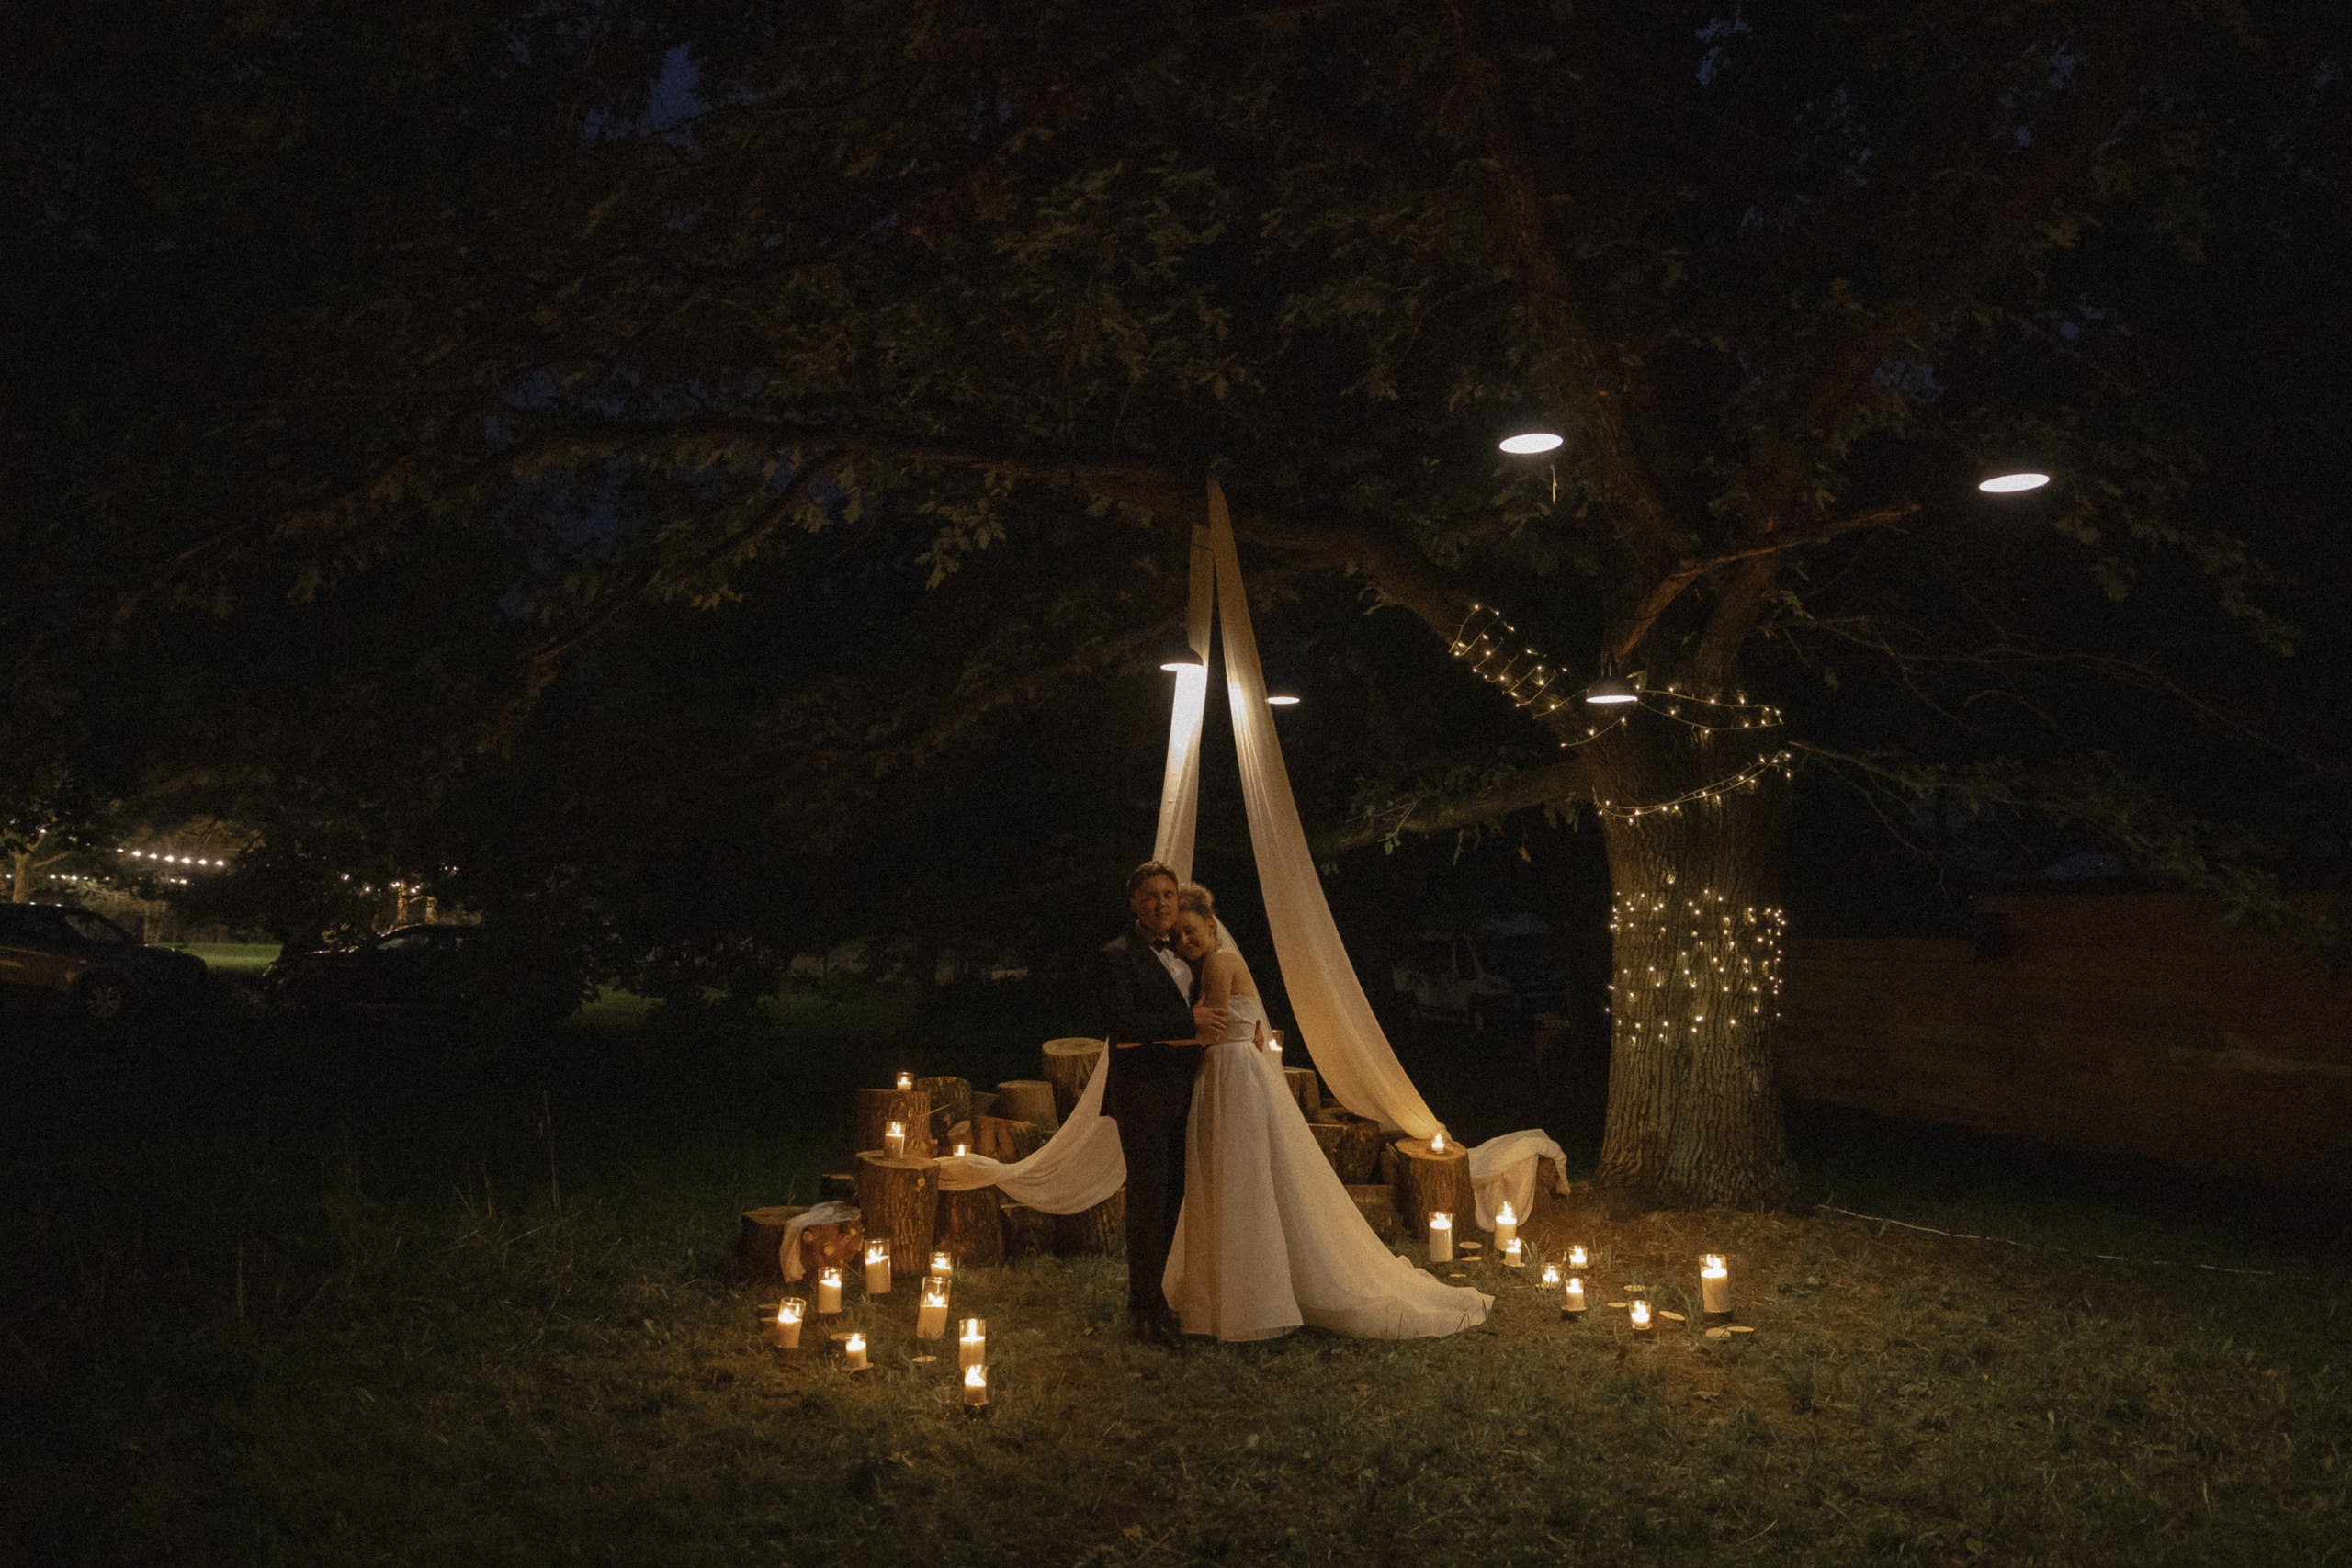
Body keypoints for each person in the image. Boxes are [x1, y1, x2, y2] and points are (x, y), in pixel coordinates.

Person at [1161, 882, 1491, 1342]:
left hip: (1232, 1075)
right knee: (1235, 1176)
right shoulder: (1213, 965)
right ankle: (1236, 1289)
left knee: (1242, 1177)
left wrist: (1158, 1035)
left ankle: (1252, 1297)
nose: (1184, 941)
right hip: (1226, 1075)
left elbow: (1213, 1028)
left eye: (1189, 930)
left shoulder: (1218, 962)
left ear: (1210, 925)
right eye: (1176, 936)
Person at [1091, 861, 1227, 1346]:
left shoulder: (1188, 953)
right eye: (1151, 897)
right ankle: (1144, 1307)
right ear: (1134, 904)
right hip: (1143, 1096)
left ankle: (1155, 1297)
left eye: (1169, 895)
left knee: (1174, 1196)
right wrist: (1186, 1024)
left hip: (1184, 1092)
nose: (1162, 904)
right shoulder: (1117, 956)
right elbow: (1123, 1023)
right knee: (1148, 1199)